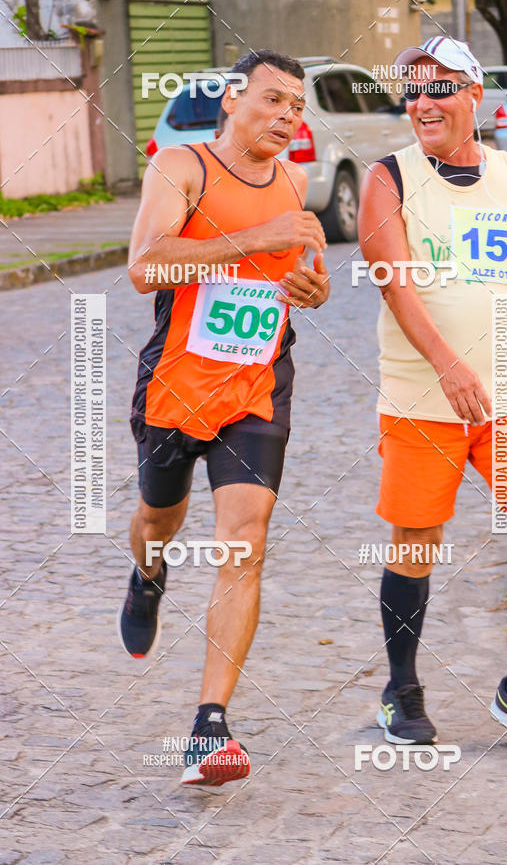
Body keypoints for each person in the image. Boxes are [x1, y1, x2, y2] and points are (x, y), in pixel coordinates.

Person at [358, 37, 507, 755]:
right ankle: (402, 690)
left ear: (477, 98)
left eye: (439, 89)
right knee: (417, 541)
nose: (421, 102)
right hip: (422, 399)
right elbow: (394, 282)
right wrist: (448, 364)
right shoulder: (387, 179)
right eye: (413, 91)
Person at [118, 49, 329, 787]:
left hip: (258, 384)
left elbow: (309, 275)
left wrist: (309, 288)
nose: (286, 117)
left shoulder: (296, 182)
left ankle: (211, 726)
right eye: (273, 100)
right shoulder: (182, 166)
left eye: (297, 107)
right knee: (157, 518)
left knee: (245, 540)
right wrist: (254, 242)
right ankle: (147, 576)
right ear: (233, 99)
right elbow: (147, 264)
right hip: (178, 384)